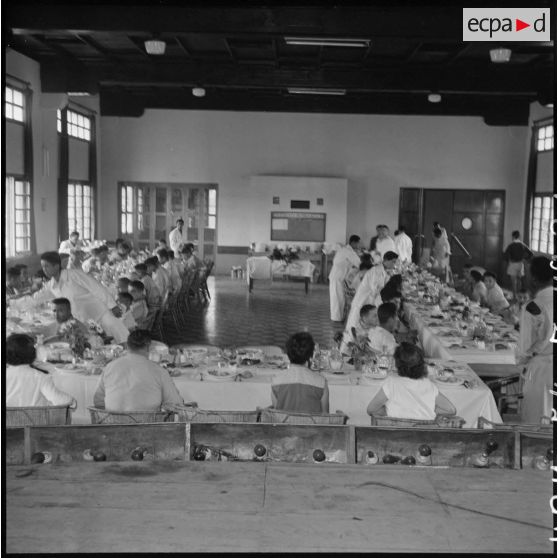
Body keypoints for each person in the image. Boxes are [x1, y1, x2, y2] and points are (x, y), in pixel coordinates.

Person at [23, 251, 128, 344]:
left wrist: (112, 305)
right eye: (42, 266)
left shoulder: (73, 275)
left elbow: (97, 288)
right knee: (99, 345)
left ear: (56, 266)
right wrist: (12, 303)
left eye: (47, 266)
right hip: (84, 322)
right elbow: (35, 299)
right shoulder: (51, 285)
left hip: (100, 314)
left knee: (120, 336)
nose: (44, 269)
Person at [93, 330, 184, 412]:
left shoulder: (109, 367)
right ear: (149, 347)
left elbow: (98, 402)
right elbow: (176, 404)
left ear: (127, 346)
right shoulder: (159, 371)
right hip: (147, 428)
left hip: (113, 427)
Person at [366, 342, 456, 420]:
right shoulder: (429, 385)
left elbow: (371, 410)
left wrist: (389, 410)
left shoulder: (391, 383)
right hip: (423, 437)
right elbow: (451, 410)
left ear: (397, 365)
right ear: (422, 365)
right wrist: (429, 409)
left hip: (394, 436)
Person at [516, 257, 553, 423]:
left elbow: (525, 348)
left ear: (535, 280)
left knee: (535, 418)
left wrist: (521, 361)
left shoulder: (533, 306)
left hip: (540, 370)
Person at [5, 333, 76, 408]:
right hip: (36, 418)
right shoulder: (41, 377)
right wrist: (72, 400)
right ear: (32, 353)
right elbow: (57, 399)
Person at [271, 332, 329, 414]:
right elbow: (325, 416)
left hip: (285, 426)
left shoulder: (276, 381)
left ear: (288, 354)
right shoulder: (321, 382)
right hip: (313, 426)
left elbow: (277, 413)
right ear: (310, 355)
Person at [345, 251, 399, 331]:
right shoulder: (376, 271)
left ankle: (360, 339)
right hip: (363, 300)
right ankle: (350, 339)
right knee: (356, 322)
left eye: (395, 262)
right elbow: (375, 290)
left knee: (364, 325)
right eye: (393, 262)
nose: (394, 264)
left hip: (369, 300)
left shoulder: (383, 271)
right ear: (386, 260)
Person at [328, 235, 361, 322]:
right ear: (353, 243)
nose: (358, 246)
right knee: (337, 298)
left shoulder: (345, 250)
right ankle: (336, 318)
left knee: (339, 298)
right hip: (337, 277)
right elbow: (359, 263)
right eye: (358, 244)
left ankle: (338, 317)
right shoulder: (348, 251)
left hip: (339, 277)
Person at [503, 231, 533, 300]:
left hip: (513, 264)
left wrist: (509, 260)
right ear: (519, 237)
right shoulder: (523, 245)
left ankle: (514, 296)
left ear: (513, 236)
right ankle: (520, 296)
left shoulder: (511, 245)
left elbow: (505, 256)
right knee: (519, 280)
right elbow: (531, 254)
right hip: (520, 264)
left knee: (514, 282)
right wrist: (525, 259)